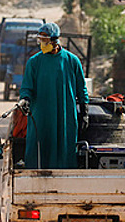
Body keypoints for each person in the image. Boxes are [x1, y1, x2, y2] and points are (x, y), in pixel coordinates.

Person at [18, 22, 89, 169]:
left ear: (54, 40)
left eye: (44, 40)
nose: (41, 44)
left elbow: (81, 89)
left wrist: (84, 111)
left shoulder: (72, 61)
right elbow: (26, 87)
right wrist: (25, 99)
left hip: (65, 115)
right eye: (40, 40)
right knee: (38, 150)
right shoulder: (34, 62)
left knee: (65, 148)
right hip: (41, 117)